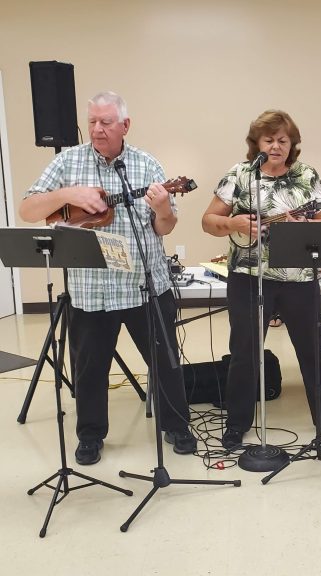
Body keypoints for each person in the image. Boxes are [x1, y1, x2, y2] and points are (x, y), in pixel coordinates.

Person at [20, 91, 197, 465]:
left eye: (106, 123)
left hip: (144, 286)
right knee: (89, 369)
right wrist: (71, 193)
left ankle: (178, 425)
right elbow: (28, 208)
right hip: (91, 290)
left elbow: (164, 227)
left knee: (165, 360)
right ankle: (90, 435)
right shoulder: (68, 161)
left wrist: (164, 206)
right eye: (93, 122)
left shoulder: (146, 164)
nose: (97, 130)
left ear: (125, 126)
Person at [201, 109, 321, 449]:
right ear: (256, 143)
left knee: (313, 349)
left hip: (299, 278)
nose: (276, 146)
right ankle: (237, 423)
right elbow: (208, 220)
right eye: (269, 140)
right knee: (243, 351)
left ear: (292, 144)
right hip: (247, 276)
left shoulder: (306, 175)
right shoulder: (240, 175)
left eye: (283, 140)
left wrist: (304, 227)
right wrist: (234, 224)